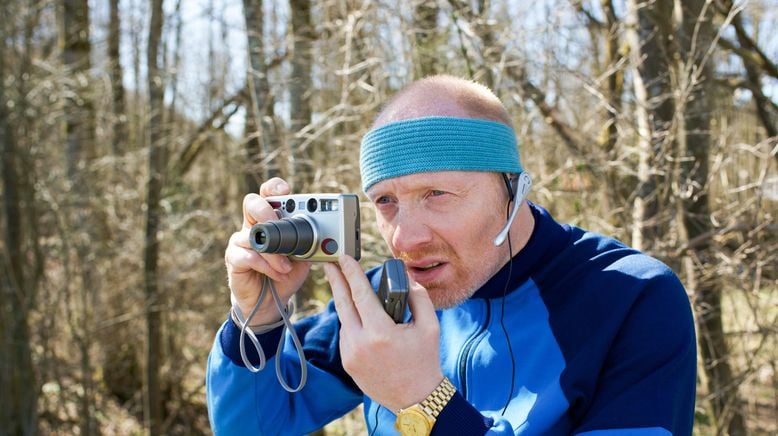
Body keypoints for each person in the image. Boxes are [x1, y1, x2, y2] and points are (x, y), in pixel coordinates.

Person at [207, 75, 696, 435]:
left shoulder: (631, 298)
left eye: (437, 193)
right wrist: (260, 317)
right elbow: (251, 427)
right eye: (386, 202)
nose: (404, 238)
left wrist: (424, 402)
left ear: (512, 188)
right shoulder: (386, 298)